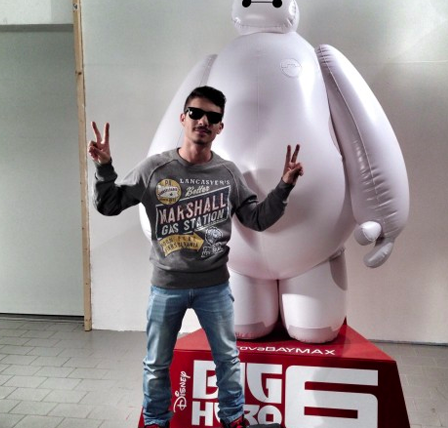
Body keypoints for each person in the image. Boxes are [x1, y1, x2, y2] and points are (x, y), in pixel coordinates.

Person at [88, 86, 303, 428]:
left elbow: (257, 219)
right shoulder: (155, 169)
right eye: (196, 113)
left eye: (213, 117)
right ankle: (155, 422)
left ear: (220, 127)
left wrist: (284, 186)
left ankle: (233, 419)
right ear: (183, 117)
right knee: (156, 363)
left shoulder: (228, 173)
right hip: (166, 286)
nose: (203, 121)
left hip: (214, 287)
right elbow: (110, 204)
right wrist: (104, 167)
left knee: (227, 360)